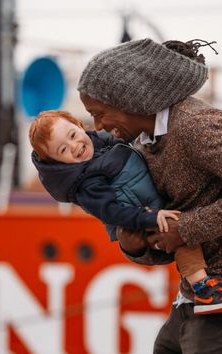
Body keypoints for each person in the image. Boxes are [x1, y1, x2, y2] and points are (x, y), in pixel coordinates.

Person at [76, 38, 222, 353]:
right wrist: (137, 248)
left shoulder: (195, 127)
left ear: (129, 100)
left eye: (99, 113)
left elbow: (182, 228)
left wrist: (185, 228)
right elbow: (170, 231)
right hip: (194, 296)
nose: (99, 127)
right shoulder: (143, 145)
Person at [30, 108, 221, 317]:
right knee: (180, 238)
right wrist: (148, 217)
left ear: (78, 124)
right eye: (63, 150)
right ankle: (203, 288)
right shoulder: (87, 182)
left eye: (73, 135)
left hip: (151, 199)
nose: (75, 146)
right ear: (58, 163)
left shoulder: (101, 143)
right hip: (140, 215)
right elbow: (111, 212)